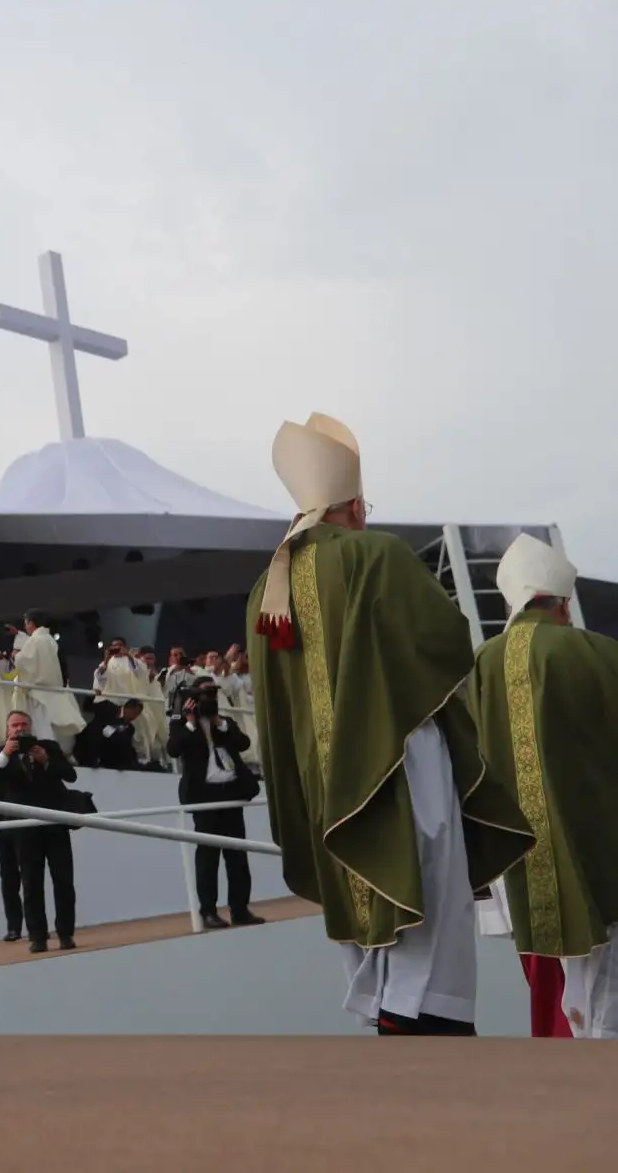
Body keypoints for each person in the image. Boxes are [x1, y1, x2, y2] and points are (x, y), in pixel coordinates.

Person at [247, 413, 530, 1036]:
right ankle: (425, 1010)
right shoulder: (375, 555)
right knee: (430, 864)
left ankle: (385, 1002)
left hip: (322, 774)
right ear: (352, 505)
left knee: (361, 868)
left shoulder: (267, 587)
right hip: (396, 751)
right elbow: (445, 639)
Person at [469, 535, 618, 1039]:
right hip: (598, 852)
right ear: (563, 603)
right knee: (605, 988)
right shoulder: (597, 651)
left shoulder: (482, 663)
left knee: (551, 978)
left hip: (517, 862)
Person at [166, 677, 264, 930]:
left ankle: (240, 909)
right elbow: (174, 749)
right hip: (205, 799)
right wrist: (190, 722)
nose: (209, 700)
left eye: (212, 694)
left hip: (230, 794)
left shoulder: (225, 722)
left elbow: (244, 744)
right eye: (204, 695)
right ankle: (208, 911)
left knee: (238, 858)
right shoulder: (181, 723)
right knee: (208, 859)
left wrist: (218, 723)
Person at [0, 711, 79, 952]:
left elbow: (71, 775)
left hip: (54, 823)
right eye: (14, 725)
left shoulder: (49, 747)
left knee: (63, 880)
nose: (19, 729)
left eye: (24, 724)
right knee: (31, 883)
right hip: (22, 830)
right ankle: (38, 936)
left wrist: (46, 760)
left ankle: (66, 933)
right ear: (7, 729)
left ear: (31, 726)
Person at [9, 613, 84, 748]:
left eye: (26, 623)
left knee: (39, 725)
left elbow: (26, 660)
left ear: (31, 623)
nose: (25, 627)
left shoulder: (36, 640)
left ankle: (44, 749)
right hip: (49, 689)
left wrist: (16, 656)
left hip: (38, 690)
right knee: (46, 724)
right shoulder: (49, 639)